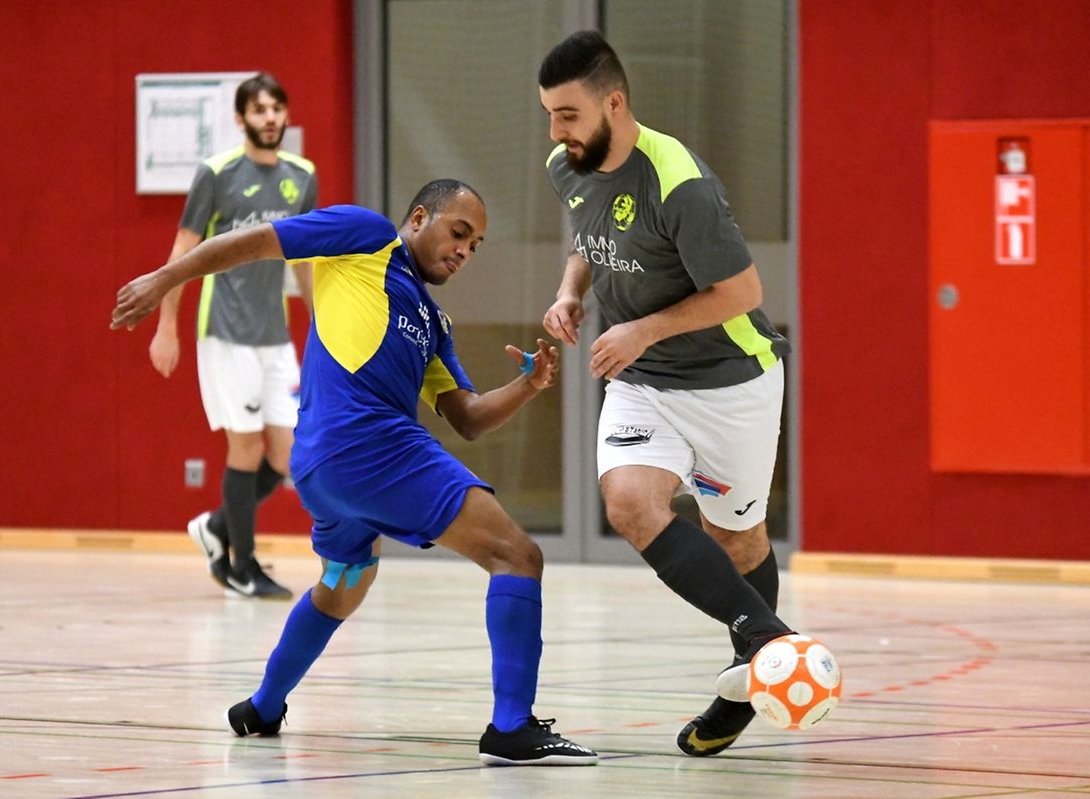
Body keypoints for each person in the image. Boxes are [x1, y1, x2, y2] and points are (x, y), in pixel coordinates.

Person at [112, 180, 598, 767]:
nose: (465, 251)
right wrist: (167, 279)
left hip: (325, 467)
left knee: (343, 588)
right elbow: (256, 242)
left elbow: (466, 418)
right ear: (418, 217)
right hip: (366, 444)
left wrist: (528, 386)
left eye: (476, 246)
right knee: (517, 556)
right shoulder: (366, 236)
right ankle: (511, 726)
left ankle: (262, 707)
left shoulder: (434, 324)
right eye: (459, 233)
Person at [538, 31, 795, 757]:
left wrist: (643, 328)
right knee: (628, 503)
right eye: (549, 116)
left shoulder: (678, 180)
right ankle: (771, 645)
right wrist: (567, 293)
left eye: (567, 115)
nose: (555, 133)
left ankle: (745, 680)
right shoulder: (568, 165)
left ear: (613, 104)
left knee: (735, 535)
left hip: (732, 380)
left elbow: (743, 291)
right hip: (644, 380)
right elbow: (590, 237)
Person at [148, 72, 317, 599]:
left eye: (277, 108)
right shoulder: (216, 173)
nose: (270, 117)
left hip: (274, 336)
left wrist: (319, 328)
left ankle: (217, 528)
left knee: (289, 456)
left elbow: (306, 259)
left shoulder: (302, 175)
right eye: (259, 110)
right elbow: (181, 256)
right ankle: (242, 566)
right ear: (241, 119)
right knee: (244, 448)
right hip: (224, 332)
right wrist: (165, 327)